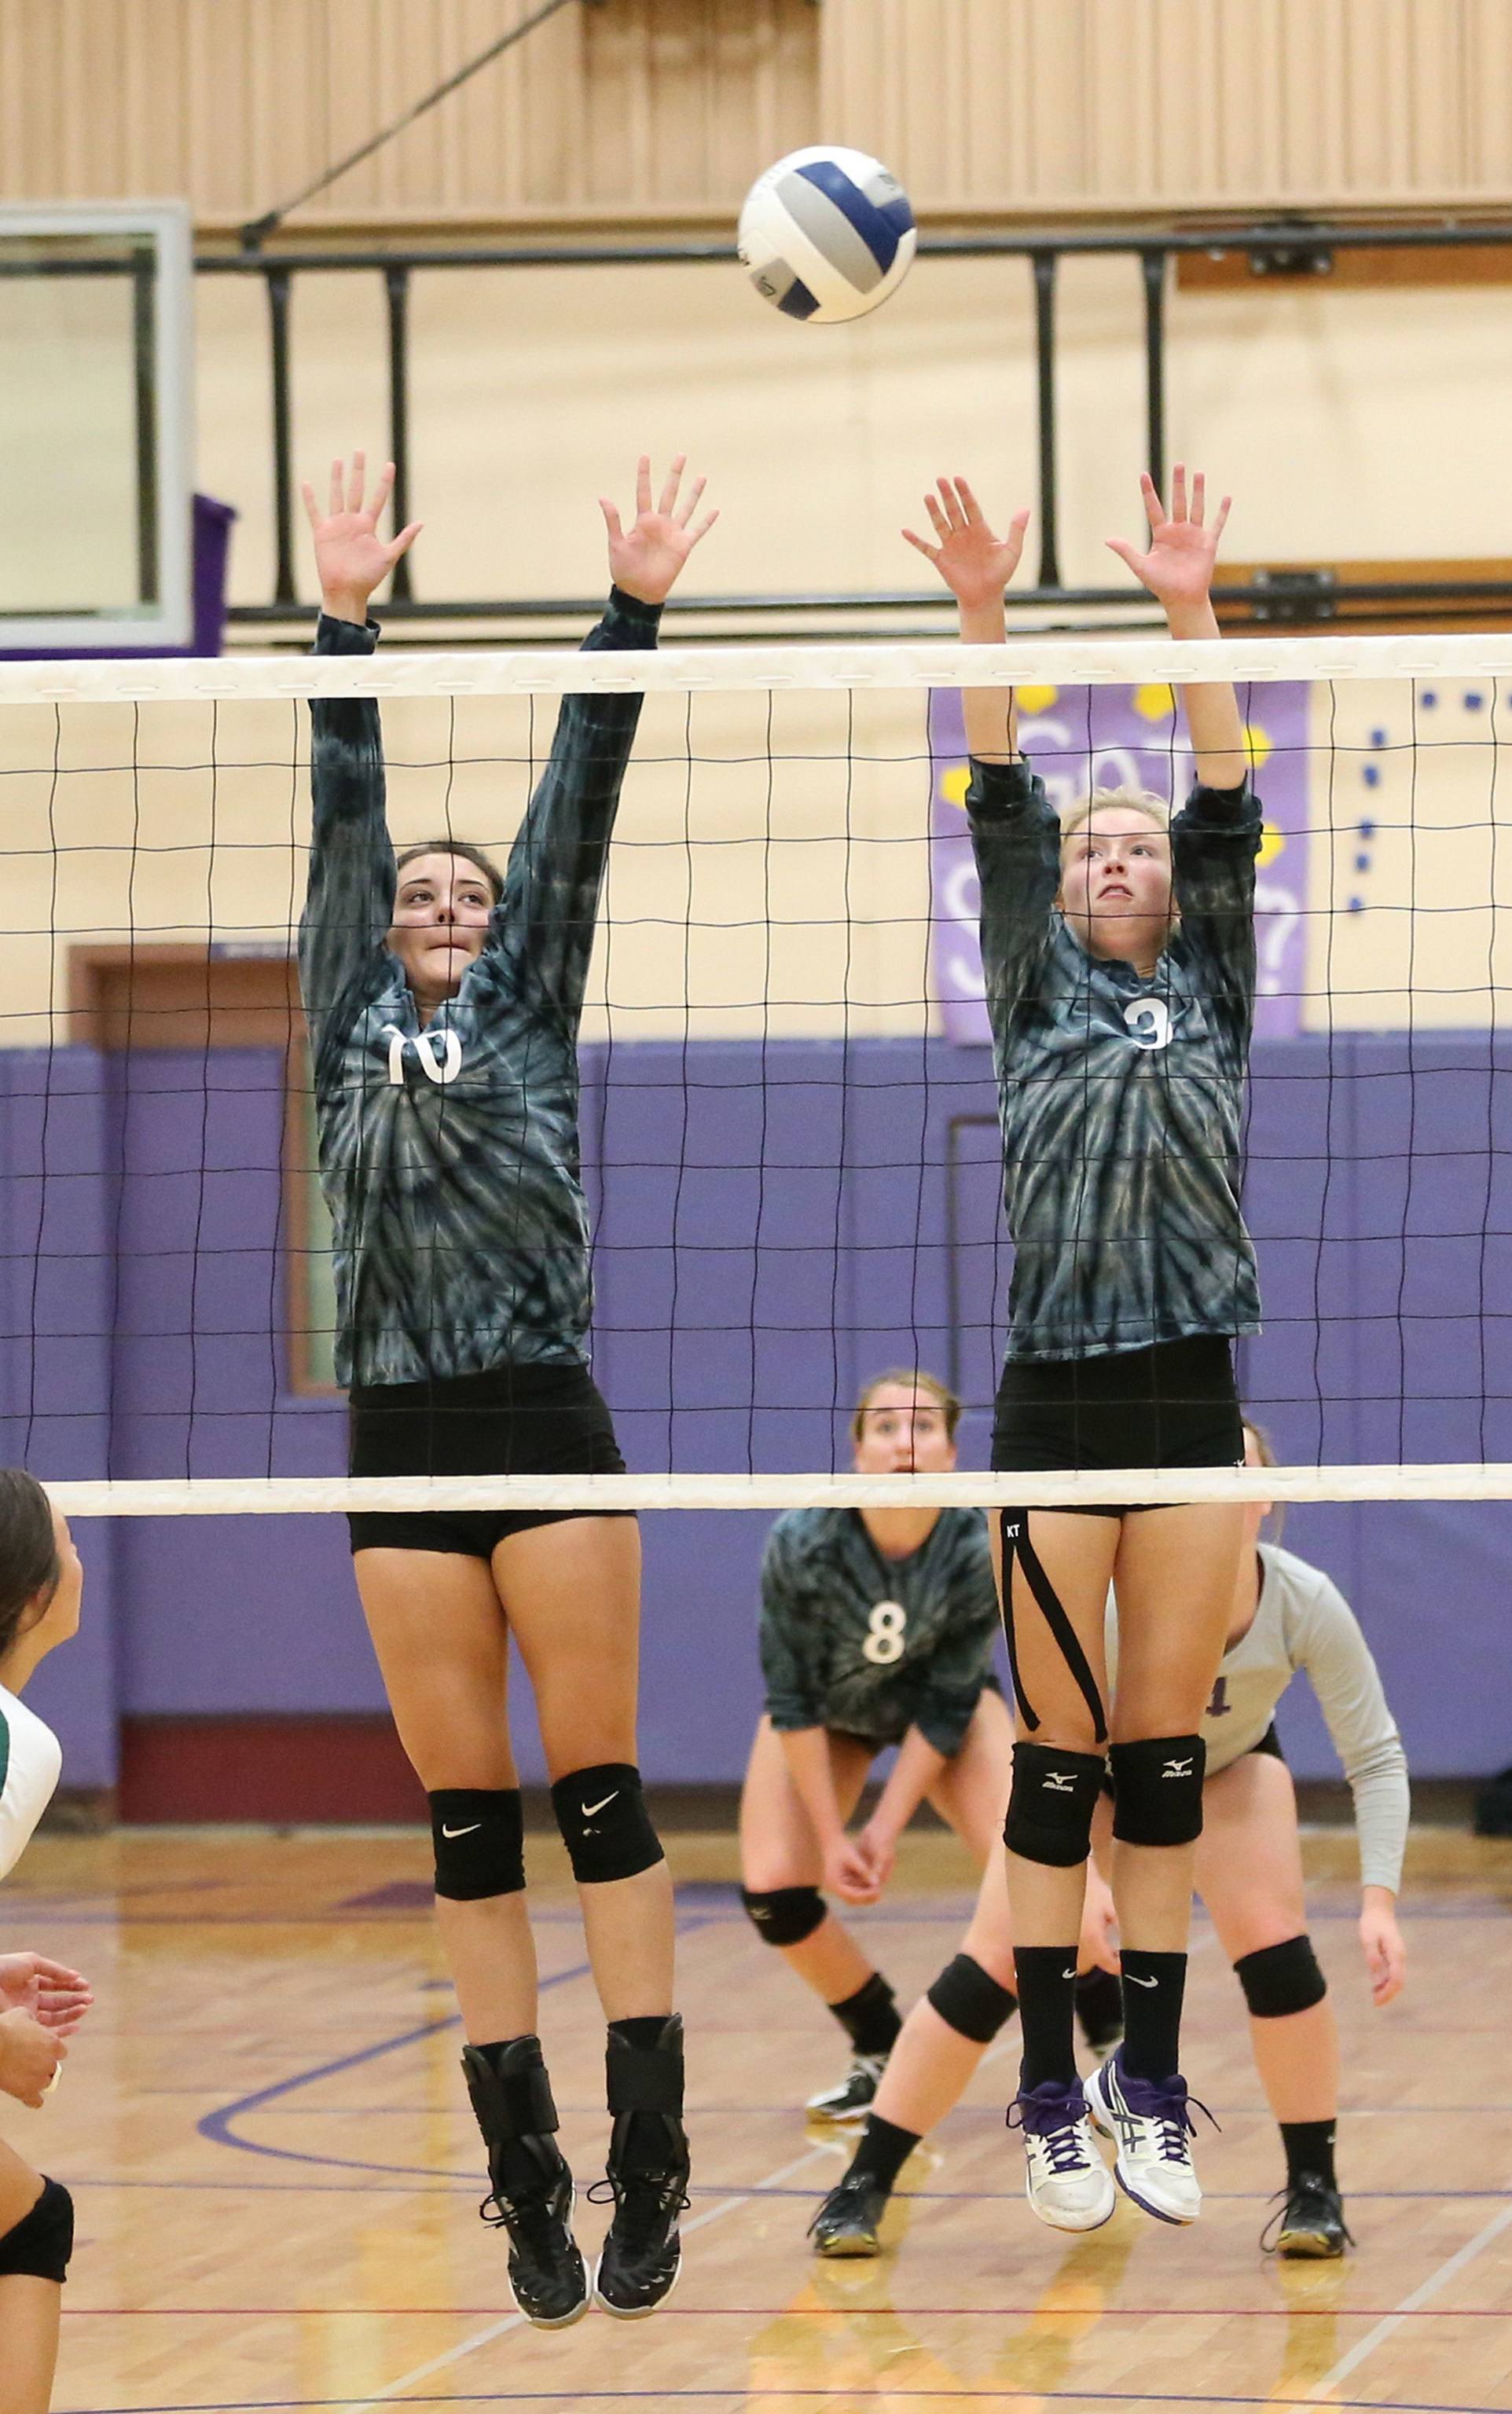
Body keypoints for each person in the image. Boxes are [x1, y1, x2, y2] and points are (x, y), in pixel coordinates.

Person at [298, 449, 715, 2327]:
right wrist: (343, 621)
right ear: (385, 928)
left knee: (599, 1792)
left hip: (544, 1416)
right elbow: (344, 810)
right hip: (400, 1440)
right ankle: (527, 2178)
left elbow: (578, 801)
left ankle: (652, 2159)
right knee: (467, 1822)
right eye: (424, 890)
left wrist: (630, 607)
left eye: (472, 889)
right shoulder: (340, 1017)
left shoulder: (532, 998)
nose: (450, 897)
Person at [904, 466, 1260, 2232]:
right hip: (1052, 1397)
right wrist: (984, 614)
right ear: (1057, 890)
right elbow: (993, 791)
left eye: (1137, 846)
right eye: (1089, 847)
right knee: (1055, 1765)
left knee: (1162, 1756)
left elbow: (1224, 784)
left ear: (1174, 887)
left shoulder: (1213, 984)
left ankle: (1154, 2085)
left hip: (1190, 1389)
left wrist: (1189, 608)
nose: (1115, 855)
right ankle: (1050, 2090)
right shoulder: (1033, 980)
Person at [808, 1422, 1409, 2262]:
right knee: (995, 1962)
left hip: (1223, 1772)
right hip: (1089, 1779)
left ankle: (1314, 2188)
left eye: (1238, 1471)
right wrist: (1081, 1875)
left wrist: (1378, 1900)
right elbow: (1053, 1741)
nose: (1220, 1484)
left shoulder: (1301, 1600)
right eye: (1205, 1467)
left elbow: (1374, 1756)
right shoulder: (1121, 1603)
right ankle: (866, 2179)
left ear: (1265, 1496)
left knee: (1280, 1954)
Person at [738, 1371, 1010, 2119]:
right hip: (832, 1711)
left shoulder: (976, 1542)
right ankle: (879, 2039)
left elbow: (951, 1701)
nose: (903, 1443)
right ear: (858, 1452)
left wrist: (885, 1829)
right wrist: (834, 1840)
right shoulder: (803, 1539)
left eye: (923, 1427)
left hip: (942, 1710)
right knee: (775, 1891)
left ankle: (1111, 2039)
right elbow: (792, 1699)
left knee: (1033, 1871)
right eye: (885, 1427)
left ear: (951, 1453)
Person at [0, 1470, 94, 2414]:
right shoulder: (15, 1742)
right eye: (70, 1543)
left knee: (23, 2212)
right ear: (35, 1597)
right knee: (28, 2224)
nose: (82, 1559)